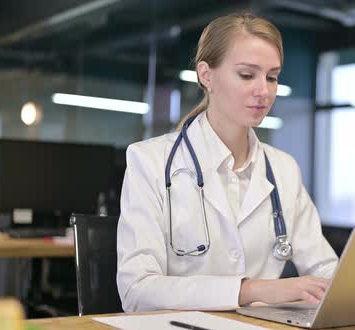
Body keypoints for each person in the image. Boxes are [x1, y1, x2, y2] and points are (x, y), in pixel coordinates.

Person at [116, 12, 338, 312]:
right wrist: (249, 290)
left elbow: (326, 270)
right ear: (206, 75)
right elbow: (137, 291)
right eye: (247, 75)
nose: (264, 91)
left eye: (272, 77)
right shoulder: (150, 161)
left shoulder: (283, 169)